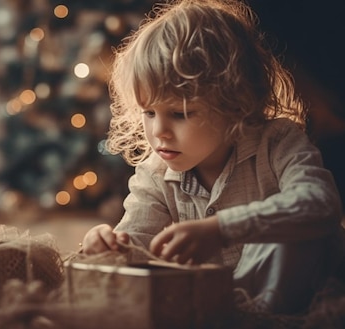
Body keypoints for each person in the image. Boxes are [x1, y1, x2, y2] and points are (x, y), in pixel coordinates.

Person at [81, 0, 344, 314]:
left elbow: (321, 203)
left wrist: (221, 228)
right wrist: (108, 246)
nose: (159, 131)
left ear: (235, 103)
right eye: (149, 112)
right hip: (225, 301)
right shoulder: (156, 169)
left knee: (284, 229)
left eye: (180, 113)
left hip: (301, 297)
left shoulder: (277, 141)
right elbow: (137, 240)